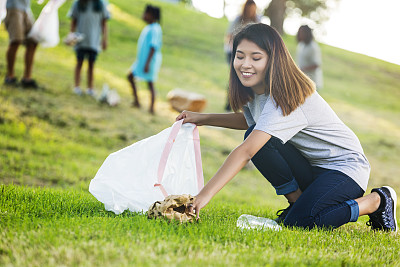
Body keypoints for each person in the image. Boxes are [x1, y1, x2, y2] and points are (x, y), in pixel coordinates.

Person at [176, 23, 397, 231]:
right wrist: (202, 118)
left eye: (256, 57)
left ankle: (376, 202)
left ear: (273, 60)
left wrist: (203, 196)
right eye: (240, 56)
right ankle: (298, 204)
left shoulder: (286, 97)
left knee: (301, 222)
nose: (245, 64)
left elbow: (247, 151)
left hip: (344, 170)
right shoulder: (257, 90)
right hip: (312, 167)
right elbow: (254, 123)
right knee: (256, 135)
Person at [223, 0, 260, 111]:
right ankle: (229, 103)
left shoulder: (257, 21)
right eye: (249, 8)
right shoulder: (238, 19)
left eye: (253, 9)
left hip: (250, 55)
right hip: (234, 53)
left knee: (248, 79)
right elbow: (229, 36)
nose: (251, 11)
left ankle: (246, 105)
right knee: (234, 79)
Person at [68, 0, 110, 96]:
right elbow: (73, 21)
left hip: (93, 41)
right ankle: (77, 86)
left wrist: (104, 39)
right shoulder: (78, 3)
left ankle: (90, 88)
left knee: (91, 64)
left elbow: (104, 23)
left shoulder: (101, 4)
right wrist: (71, 35)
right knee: (79, 62)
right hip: (80, 40)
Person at [127, 4, 162, 115]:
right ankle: (137, 101)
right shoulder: (149, 27)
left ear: (152, 15)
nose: (143, 15)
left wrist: (147, 63)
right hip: (142, 61)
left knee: (150, 83)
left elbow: (153, 47)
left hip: (149, 62)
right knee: (130, 76)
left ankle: (152, 108)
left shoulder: (155, 29)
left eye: (146, 13)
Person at [4, 0, 39, 88]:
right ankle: (10, 76)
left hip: (26, 8)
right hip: (14, 7)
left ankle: (27, 78)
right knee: (16, 41)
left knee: (33, 41)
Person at [296, 25, 323, 90]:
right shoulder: (301, 45)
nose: (299, 35)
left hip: (312, 82)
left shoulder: (313, 47)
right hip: (302, 80)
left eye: (302, 33)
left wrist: (302, 69)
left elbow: (316, 65)